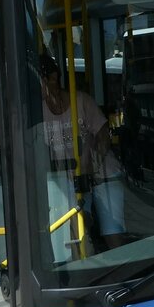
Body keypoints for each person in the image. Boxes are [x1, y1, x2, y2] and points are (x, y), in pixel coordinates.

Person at [38, 54, 127, 250]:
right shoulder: (39, 111)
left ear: (54, 79)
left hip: (102, 174)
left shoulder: (81, 101)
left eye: (45, 80)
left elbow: (103, 135)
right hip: (68, 181)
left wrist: (93, 164)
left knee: (113, 231)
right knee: (76, 231)